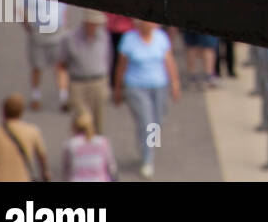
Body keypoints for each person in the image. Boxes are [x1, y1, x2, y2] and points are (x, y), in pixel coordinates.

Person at [114, 19, 180, 179]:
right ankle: (147, 158)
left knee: (156, 121)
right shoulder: (129, 39)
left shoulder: (161, 38)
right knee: (147, 121)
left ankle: (148, 147)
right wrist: (117, 88)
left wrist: (175, 82)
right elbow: (121, 66)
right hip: (136, 86)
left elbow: (169, 60)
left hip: (158, 85)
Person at [58, 10, 112, 135]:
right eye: (93, 23)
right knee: (82, 119)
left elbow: (108, 59)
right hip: (78, 83)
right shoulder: (70, 38)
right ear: (86, 22)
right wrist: (64, 91)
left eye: (97, 24)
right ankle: (79, 148)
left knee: (98, 119)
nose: (95, 26)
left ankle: (97, 148)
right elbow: (61, 64)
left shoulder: (104, 37)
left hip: (98, 81)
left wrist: (107, 83)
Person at [0, 94, 50, 182]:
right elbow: (42, 156)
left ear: (3, 111)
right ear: (21, 112)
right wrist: (45, 173)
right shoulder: (32, 131)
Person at [23, 0, 68, 111]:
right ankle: (35, 96)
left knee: (60, 66)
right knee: (37, 66)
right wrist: (29, 27)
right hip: (38, 33)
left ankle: (63, 97)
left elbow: (63, 11)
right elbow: (23, 10)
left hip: (57, 33)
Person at [61, 109, 117, 182]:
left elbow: (66, 171)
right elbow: (111, 167)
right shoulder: (103, 142)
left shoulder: (69, 145)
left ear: (73, 127)